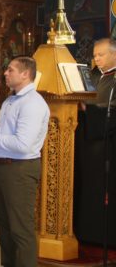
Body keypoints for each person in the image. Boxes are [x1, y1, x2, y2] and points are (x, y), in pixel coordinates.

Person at [0, 56, 49, 267]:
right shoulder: (10, 101)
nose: (5, 73)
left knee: (20, 229)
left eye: (10, 70)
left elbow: (23, 144)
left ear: (25, 74)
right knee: (4, 226)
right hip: (3, 168)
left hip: (20, 171)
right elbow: (6, 136)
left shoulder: (33, 103)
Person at [74, 38, 116, 246]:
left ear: (114, 54)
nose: (96, 59)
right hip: (86, 140)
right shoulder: (91, 75)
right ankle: (84, 232)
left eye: (101, 55)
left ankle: (105, 236)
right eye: (94, 55)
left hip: (108, 145)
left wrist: (88, 110)